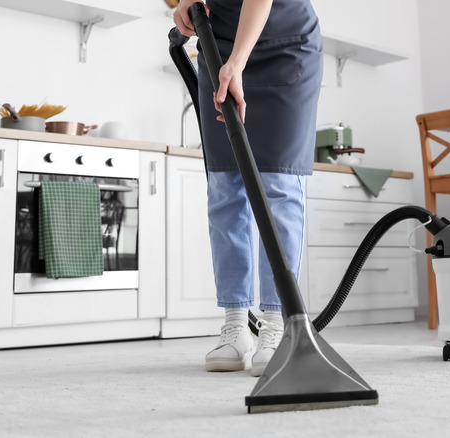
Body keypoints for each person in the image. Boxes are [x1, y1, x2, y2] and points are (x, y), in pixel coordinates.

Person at [173, 0, 323, 376]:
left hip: (286, 45)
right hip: (219, 44)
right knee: (225, 186)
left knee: (280, 185)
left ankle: (277, 326)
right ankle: (236, 324)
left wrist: (237, 63)